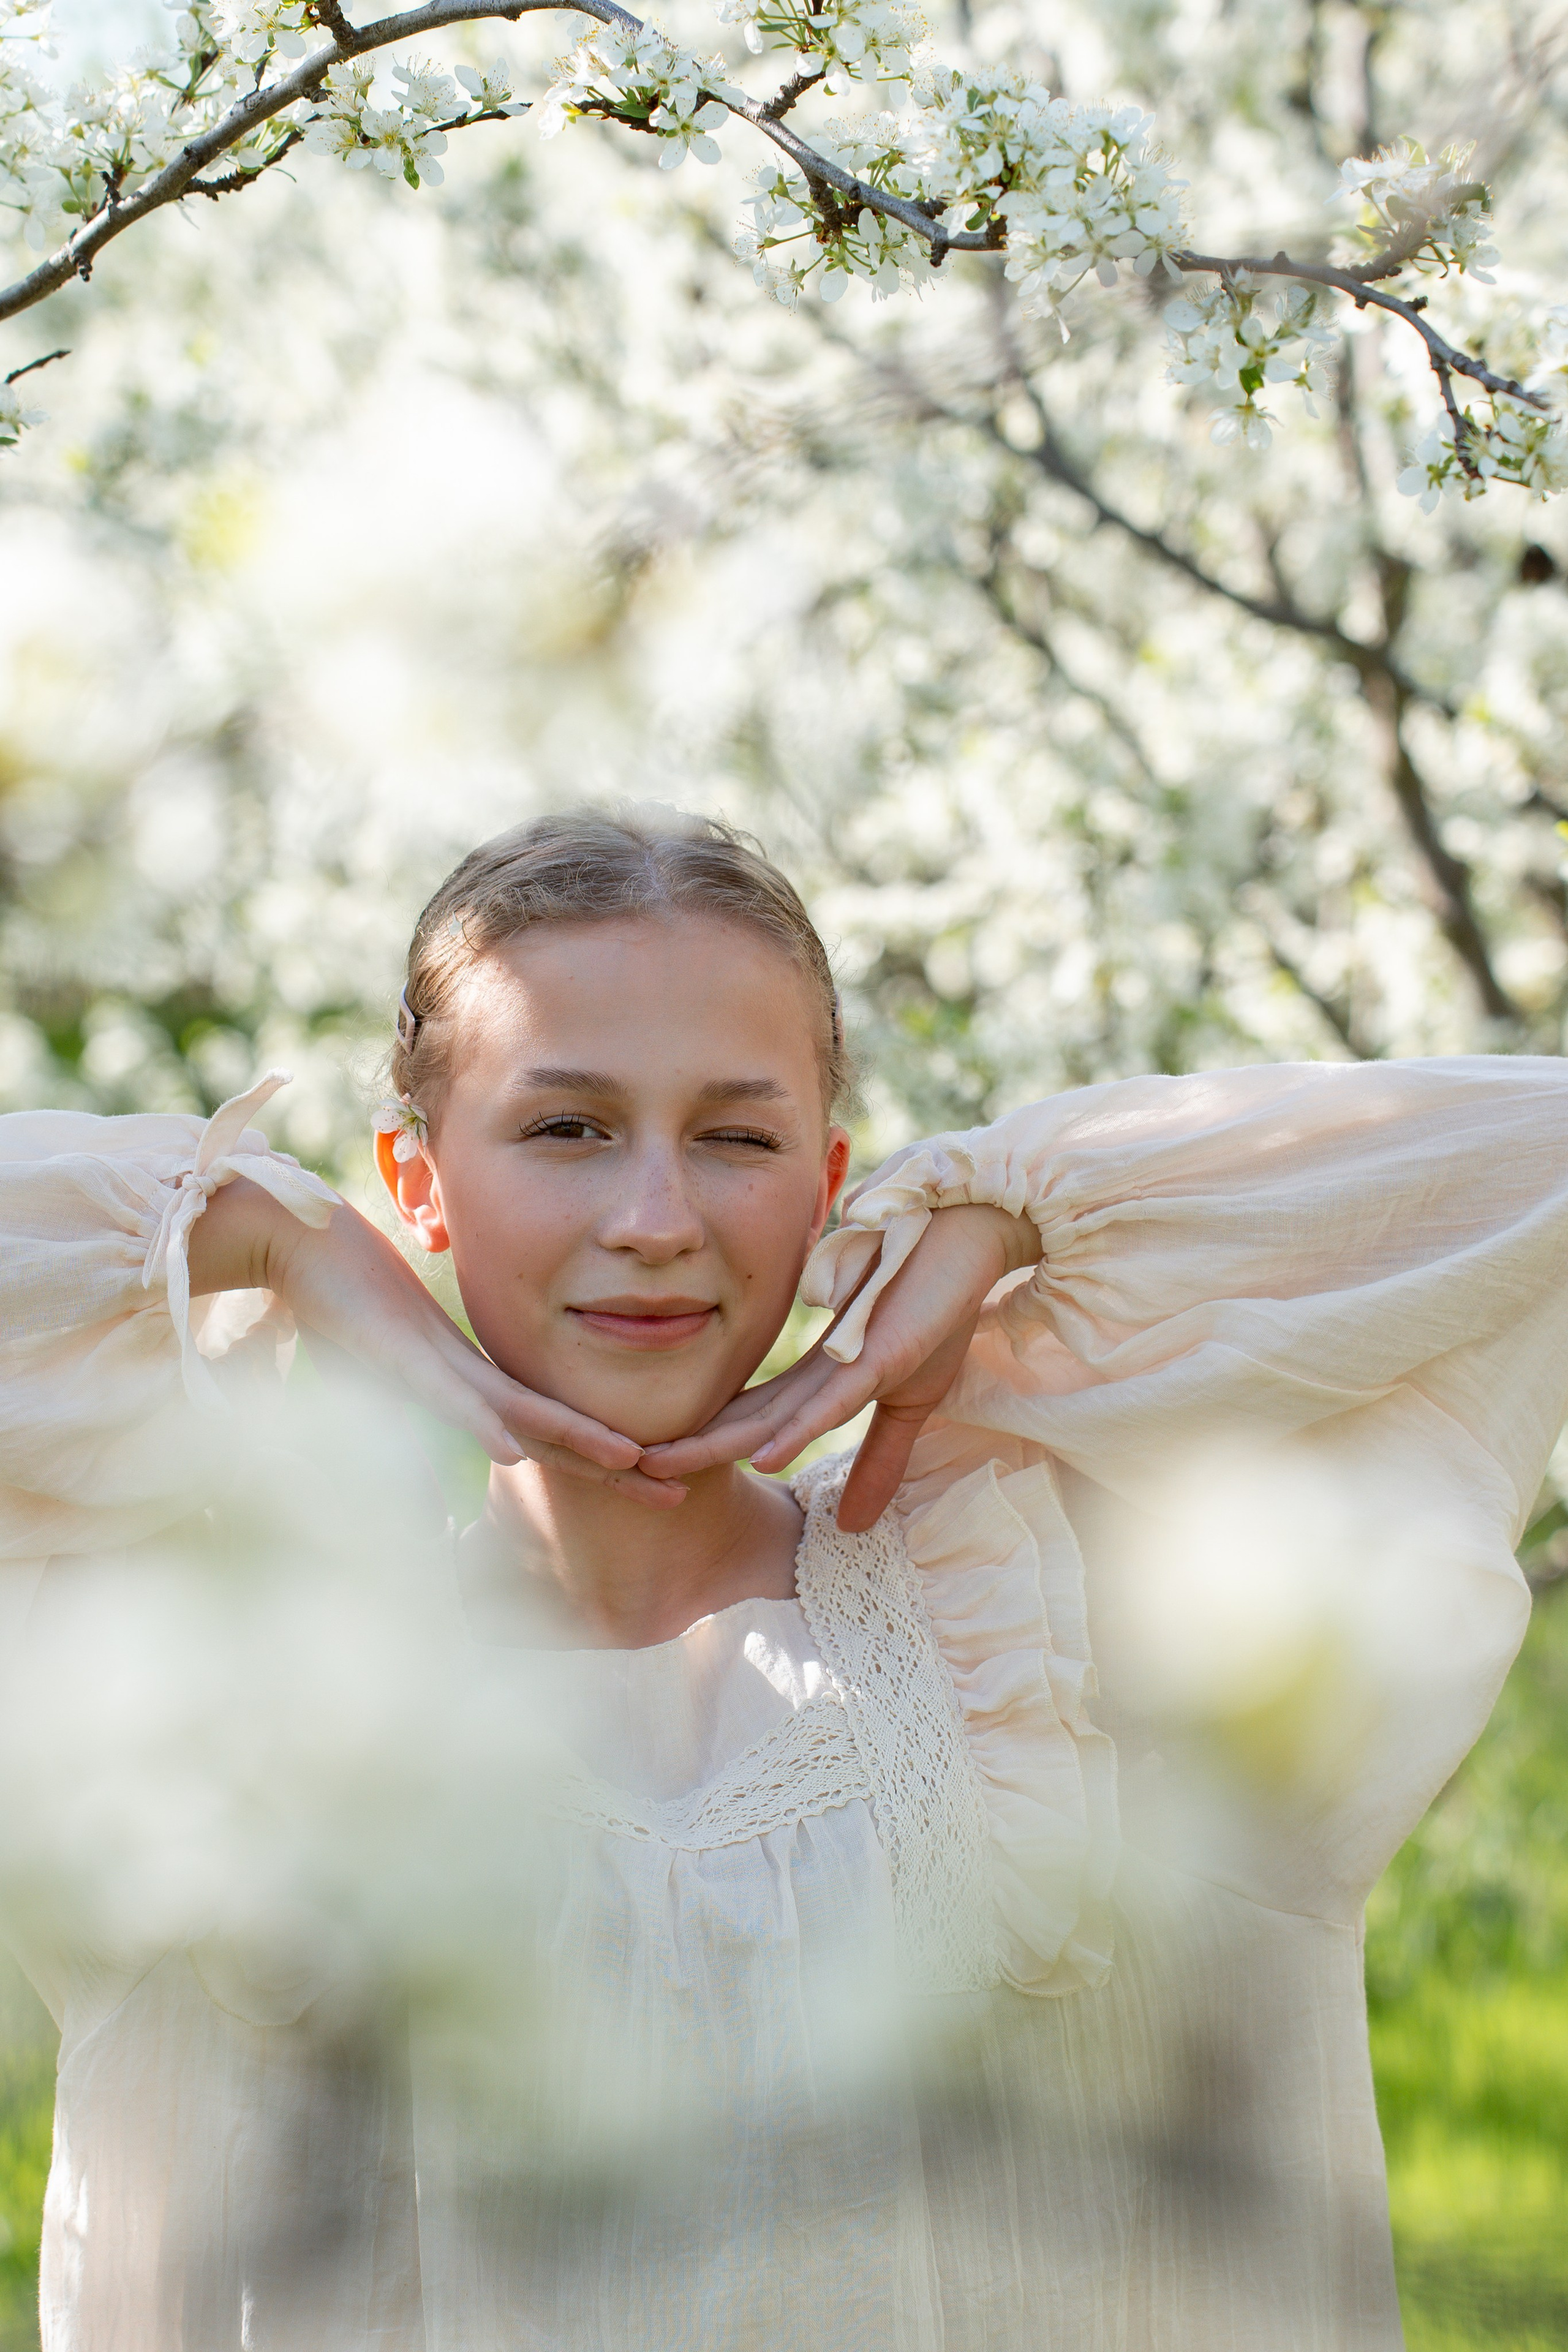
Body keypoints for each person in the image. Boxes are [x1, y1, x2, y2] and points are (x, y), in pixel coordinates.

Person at [4, 805, 1567, 2352]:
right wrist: (254, 1233)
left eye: (735, 1138)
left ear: (827, 1181)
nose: (656, 1221)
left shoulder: (1047, 1621)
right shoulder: (216, 1680)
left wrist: (1011, 1206)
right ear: (416, 1181)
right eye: (566, 1127)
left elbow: (1524, 1166)